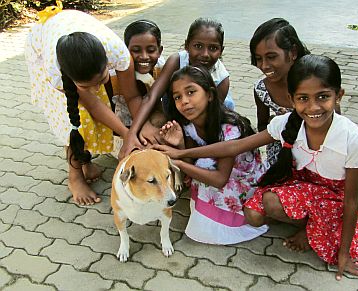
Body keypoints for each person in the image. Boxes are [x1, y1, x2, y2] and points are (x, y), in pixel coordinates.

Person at [153, 55, 358, 280]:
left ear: (338, 96)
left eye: (323, 97)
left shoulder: (353, 140)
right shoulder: (286, 123)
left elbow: (351, 201)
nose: (313, 107)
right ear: (291, 99)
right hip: (303, 185)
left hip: (334, 196)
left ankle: (312, 231)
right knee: (255, 212)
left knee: (268, 204)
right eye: (303, 98)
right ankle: (313, 226)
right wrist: (182, 152)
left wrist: (343, 255)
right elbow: (234, 147)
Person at [25, 7, 142, 205]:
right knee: (73, 120)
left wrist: (135, 132)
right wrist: (125, 133)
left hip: (74, 36)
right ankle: (75, 175)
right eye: (87, 86)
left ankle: (86, 160)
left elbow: (131, 95)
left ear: (107, 62)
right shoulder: (55, 73)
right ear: (71, 79)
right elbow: (93, 105)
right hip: (41, 45)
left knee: (96, 110)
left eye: (102, 79)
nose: (96, 89)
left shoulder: (117, 51)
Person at [160, 65, 267, 244]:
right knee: (199, 177)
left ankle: (233, 219)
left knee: (208, 184)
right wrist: (178, 145)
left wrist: (175, 159)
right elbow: (190, 169)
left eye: (191, 92)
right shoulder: (189, 126)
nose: (184, 101)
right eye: (177, 97)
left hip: (243, 180)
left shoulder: (229, 128)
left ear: (209, 95)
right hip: (219, 176)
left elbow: (219, 179)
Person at [123, 17, 235, 155]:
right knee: (156, 129)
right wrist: (131, 134)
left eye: (213, 48)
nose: (205, 54)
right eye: (198, 46)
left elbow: (210, 121)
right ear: (187, 45)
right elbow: (152, 96)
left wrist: (183, 147)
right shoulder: (177, 60)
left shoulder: (221, 80)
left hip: (204, 124)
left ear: (221, 50)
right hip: (177, 115)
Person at [250, 18, 310, 167]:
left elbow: (334, 123)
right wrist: (275, 123)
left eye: (271, 57)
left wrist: (294, 119)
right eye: (258, 59)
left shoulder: (314, 83)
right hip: (279, 159)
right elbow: (263, 127)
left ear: (293, 53)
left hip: (314, 157)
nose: (264, 65)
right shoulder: (261, 89)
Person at [111, 19, 166, 151]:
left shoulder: (162, 68)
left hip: (149, 115)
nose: (144, 56)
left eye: (151, 50)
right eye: (136, 50)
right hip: (121, 124)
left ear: (160, 50)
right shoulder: (113, 74)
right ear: (125, 51)